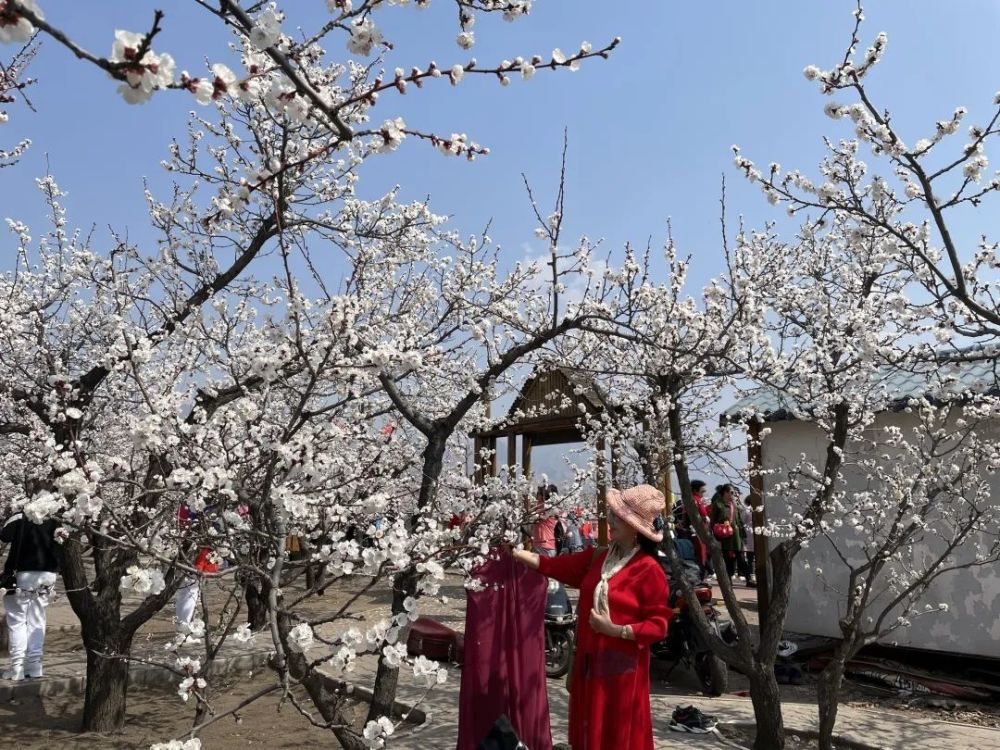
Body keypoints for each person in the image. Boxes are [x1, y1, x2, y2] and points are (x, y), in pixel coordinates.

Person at [513, 484, 671, 750]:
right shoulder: (599, 557)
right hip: (589, 664)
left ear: (636, 528)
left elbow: (658, 626)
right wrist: (516, 553)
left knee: (615, 736)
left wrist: (617, 630)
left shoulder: (649, 570)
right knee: (587, 733)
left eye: (618, 517)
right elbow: (554, 565)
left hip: (621, 672)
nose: (610, 520)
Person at [1, 510, 59, 680]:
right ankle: (34, 665)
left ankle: (17, 667)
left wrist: (16, 511)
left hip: (23, 572)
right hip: (48, 573)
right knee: (37, 619)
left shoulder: (22, 514)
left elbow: (5, 535)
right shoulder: (58, 516)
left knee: (17, 620)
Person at [709, 484, 746, 580]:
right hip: (724, 534)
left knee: (740, 556)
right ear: (725, 493)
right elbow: (713, 521)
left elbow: (739, 520)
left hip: (736, 534)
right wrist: (713, 533)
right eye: (731, 492)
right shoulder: (718, 504)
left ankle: (747, 576)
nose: (733, 495)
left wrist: (743, 534)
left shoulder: (734, 504)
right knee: (727, 557)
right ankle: (728, 578)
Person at [531, 484, 559, 557]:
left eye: (540, 493)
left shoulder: (551, 508)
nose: (538, 495)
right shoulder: (539, 505)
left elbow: (540, 517)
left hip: (546, 546)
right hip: (538, 544)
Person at [739, 490, 756, 587]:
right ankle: (752, 576)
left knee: (750, 558)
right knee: (751, 558)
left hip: (748, 536)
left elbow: (742, 522)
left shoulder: (746, 510)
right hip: (752, 536)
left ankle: (751, 575)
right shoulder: (749, 510)